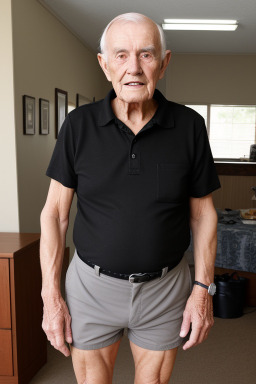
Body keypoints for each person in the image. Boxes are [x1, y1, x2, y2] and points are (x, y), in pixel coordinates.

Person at [40, 12, 221, 384]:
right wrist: (50, 296)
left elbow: (203, 216)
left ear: (164, 63)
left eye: (146, 55)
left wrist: (203, 290)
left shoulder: (189, 126)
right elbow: (55, 214)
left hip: (165, 288)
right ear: (104, 65)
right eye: (121, 55)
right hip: (90, 287)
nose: (134, 68)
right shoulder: (78, 126)